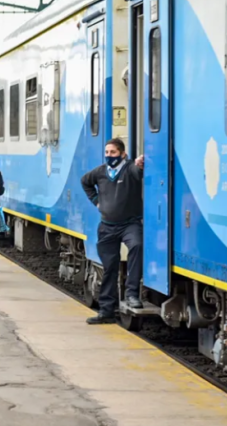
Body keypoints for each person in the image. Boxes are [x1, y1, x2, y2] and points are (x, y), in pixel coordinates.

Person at [81, 138, 145, 325]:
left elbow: (137, 170)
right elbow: (85, 181)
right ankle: (106, 311)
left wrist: (140, 164)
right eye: (107, 153)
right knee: (110, 267)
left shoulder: (130, 168)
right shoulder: (100, 172)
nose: (109, 156)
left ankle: (132, 294)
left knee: (137, 246)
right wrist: (96, 201)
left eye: (113, 153)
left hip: (129, 224)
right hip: (107, 226)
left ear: (123, 154)